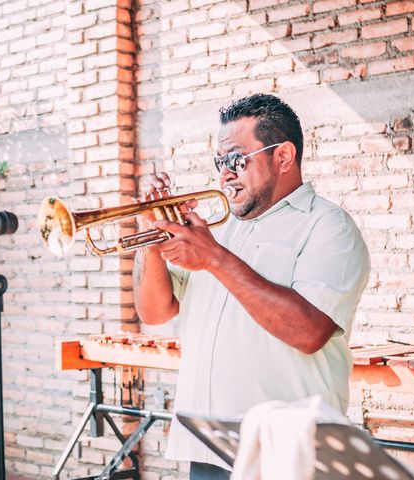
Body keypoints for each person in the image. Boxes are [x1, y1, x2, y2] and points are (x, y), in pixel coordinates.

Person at [133, 94, 370, 479]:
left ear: (284, 157)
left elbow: (308, 332)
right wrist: (150, 236)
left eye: (235, 160)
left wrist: (215, 259)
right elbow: (155, 312)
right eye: (219, 163)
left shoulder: (328, 227)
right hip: (208, 445)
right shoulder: (216, 226)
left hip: (286, 455)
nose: (225, 174)